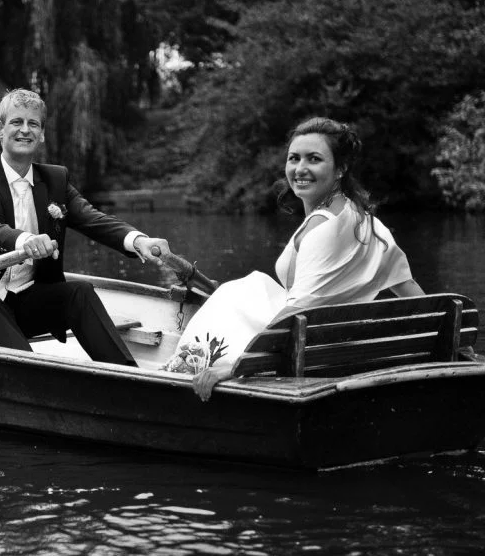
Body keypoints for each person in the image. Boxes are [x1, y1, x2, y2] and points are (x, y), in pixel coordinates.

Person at [172, 117, 425, 400]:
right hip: (330, 342)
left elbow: (299, 309)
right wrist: (437, 340)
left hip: (308, 350)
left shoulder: (324, 230)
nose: (300, 169)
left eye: (314, 159)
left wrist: (237, 366)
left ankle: (176, 375)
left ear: (340, 168)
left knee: (240, 292)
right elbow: (408, 288)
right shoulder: (366, 220)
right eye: (294, 158)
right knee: (246, 291)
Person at [0, 88, 172, 366]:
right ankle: (39, 386)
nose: (25, 130)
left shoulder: (55, 180)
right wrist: (24, 240)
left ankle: (130, 379)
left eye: (33, 124)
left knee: (80, 292)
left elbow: (92, 218)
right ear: (0, 129)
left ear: (41, 134)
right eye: (16, 122)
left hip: (22, 307)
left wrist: (138, 241)